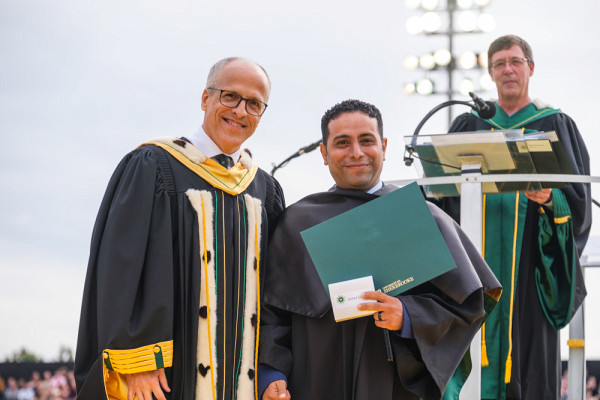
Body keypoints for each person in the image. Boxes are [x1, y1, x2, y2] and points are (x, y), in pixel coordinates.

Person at [258, 99, 501, 399]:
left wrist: (409, 315)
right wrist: (272, 373)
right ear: (324, 152)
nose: (356, 152)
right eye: (342, 142)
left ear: (384, 146)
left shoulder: (420, 218)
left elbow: (467, 304)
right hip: (314, 381)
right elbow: (272, 311)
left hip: (392, 384)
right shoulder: (297, 222)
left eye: (367, 141)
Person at [75, 57, 285, 400]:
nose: (240, 111)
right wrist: (138, 358)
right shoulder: (154, 166)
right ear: (205, 98)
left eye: (254, 104)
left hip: (241, 382)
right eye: (230, 96)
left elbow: (276, 293)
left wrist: (269, 370)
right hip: (167, 376)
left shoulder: (265, 191)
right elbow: (120, 265)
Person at [436, 35, 592, 399]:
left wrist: (553, 200)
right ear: (490, 73)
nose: (508, 69)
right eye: (499, 63)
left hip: (530, 275)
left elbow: (577, 203)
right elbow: (440, 197)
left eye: (515, 61)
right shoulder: (467, 126)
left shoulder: (554, 124)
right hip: (473, 276)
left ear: (530, 68)